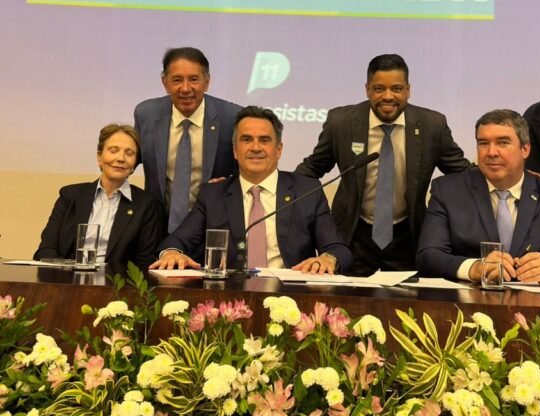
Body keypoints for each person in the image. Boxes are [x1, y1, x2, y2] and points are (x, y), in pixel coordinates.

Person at [295, 53, 468, 275]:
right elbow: (313, 168)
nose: (388, 96)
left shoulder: (432, 125)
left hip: (408, 235)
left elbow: (461, 173)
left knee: (406, 297)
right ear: (367, 89)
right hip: (352, 234)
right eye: (379, 89)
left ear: (408, 90)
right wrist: (284, 192)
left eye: (396, 89)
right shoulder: (341, 122)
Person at [150, 106, 352, 274]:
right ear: (235, 150)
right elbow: (176, 241)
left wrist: (328, 258)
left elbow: (337, 248)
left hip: (291, 295)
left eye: (264, 140)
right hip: (230, 296)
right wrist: (171, 253)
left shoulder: (307, 191)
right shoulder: (213, 195)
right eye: (246, 140)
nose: (256, 147)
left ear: (278, 149)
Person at [416, 109, 540, 286]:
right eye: (483, 143)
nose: (491, 152)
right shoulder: (447, 191)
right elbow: (428, 257)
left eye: (503, 142)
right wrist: (475, 268)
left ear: (525, 149)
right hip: (469, 299)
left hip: (536, 300)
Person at [134, 47, 242, 232]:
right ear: (165, 83)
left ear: (207, 82)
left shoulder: (231, 117)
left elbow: (248, 172)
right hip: (157, 227)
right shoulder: (147, 114)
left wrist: (230, 184)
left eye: (193, 79)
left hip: (213, 226)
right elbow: (130, 159)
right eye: (177, 80)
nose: (185, 88)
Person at [35, 124, 166, 270]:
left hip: (117, 282)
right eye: (113, 151)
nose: (121, 158)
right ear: (99, 156)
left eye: (129, 153)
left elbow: (145, 262)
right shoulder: (70, 196)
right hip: (66, 279)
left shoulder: (146, 205)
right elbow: (45, 251)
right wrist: (72, 273)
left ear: (134, 163)